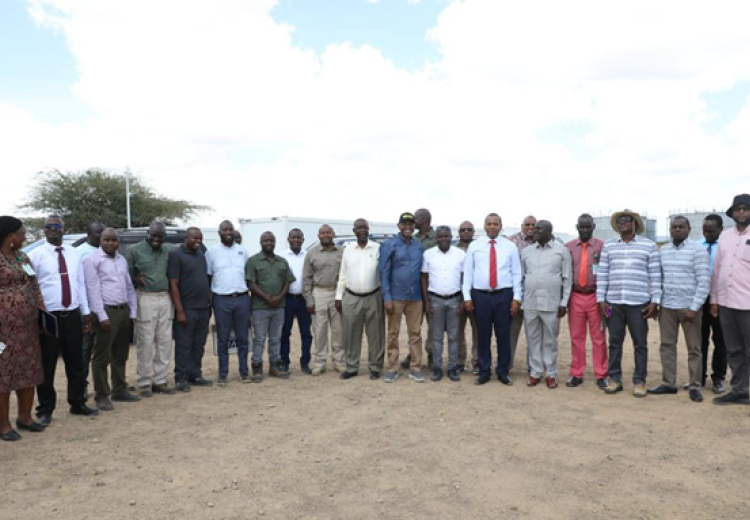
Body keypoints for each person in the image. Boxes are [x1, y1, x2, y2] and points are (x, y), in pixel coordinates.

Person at [28, 215, 98, 426]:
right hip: (49, 317)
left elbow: (80, 284)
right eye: (48, 227)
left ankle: (77, 403)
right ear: (44, 230)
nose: (52, 230)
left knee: (76, 363)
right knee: (47, 365)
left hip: (73, 315)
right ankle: (45, 409)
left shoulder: (74, 254)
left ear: (63, 229)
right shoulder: (35, 255)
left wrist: (86, 313)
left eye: (56, 226)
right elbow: (32, 289)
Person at [597, 209, 661, 397]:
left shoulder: (648, 246)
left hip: (638, 303)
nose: (622, 223)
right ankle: (615, 379)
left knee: (640, 343)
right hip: (614, 303)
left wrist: (655, 301)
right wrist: (601, 299)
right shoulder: (609, 246)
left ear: (635, 224)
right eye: (619, 220)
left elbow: (655, 276)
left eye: (627, 220)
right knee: (615, 342)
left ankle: (640, 381)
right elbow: (602, 274)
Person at [648, 216, 709, 402]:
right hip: (667, 306)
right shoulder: (663, 251)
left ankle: (695, 386)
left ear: (689, 229)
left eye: (681, 226)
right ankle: (669, 383)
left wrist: (694, 307)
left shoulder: (697, 250)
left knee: (694, 348)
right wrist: (657, 302)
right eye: (674, 227)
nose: (677, 229)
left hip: (689, 308)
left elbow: (704, 281)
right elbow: (658, 279)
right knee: (667, 346)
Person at [0, 216, 47, 441]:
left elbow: (34, 284)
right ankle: (3, 425)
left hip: (27, 328)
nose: (25, 237)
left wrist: (42, 310)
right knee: (3, 375)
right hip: (2, 332)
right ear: (10, 237)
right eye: (22, 234)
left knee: (29, 370)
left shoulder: (23, 257)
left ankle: (25, 417)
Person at [83, 228, 140, 411]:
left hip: (123, 311)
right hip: (105, 313)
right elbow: (92, 290)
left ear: (118, 242)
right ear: (100, 240)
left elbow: (129, 287)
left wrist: (132, 313)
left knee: (120, 354)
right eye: (107, 240)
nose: (110, 243)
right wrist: (101, 316)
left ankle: (119, 389)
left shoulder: (121, 260)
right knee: (101, 356)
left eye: (114, 240)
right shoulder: (92, 260)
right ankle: (101, 395)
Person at [463, 213, 522, 386]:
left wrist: (517, 298)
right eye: (489, 224)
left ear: (500, 225)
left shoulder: (510, 247)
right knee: (483, 335)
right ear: (484, 225)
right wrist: (467, 297)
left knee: (503, 335)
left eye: (495, 224)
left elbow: (516, 272)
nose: (492, 227)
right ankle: (484, 371)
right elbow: (468, 273)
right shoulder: (475, 246)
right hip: (481, 296)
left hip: (504, 295)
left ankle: (503, 371)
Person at [126, 221, 175, 397]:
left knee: (165, 341)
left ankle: (160, 380)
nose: (156, 239)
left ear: (164, 237)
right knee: (145, 341)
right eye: (153, 235)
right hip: (145, 297)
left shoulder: (169, 251)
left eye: (160, 236)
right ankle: (144, 381)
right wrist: (136, 280)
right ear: (148, 233)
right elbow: (127, 275)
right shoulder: (134, 250)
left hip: (165, 297)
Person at [521, 220, 571, 389]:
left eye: (538, 229)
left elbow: (567, 279)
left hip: (552, 302)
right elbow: (521, 277)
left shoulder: (561, 251)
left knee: (550, 340)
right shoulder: (526, 252)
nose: (534, 231)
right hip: (530, 301)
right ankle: (535, 372)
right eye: (533, 228)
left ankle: (550, 373)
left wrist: (564, 302)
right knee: (532, 338)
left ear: (549, 231)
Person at [711, 194, 750, 409]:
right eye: (738, 209)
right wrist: (715, 300)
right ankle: (739, 391)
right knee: (734, 350)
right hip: (726, 303)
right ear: (733, 213)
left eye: (745, 208)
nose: (742, 212)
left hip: (748, 304)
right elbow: (717, 270)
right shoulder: (725, 237)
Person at [335, 219, 385, 380]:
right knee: (350, 334)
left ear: (369, 230)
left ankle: (375, 367)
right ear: (354, 230)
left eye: (365, 227)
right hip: (351, 297)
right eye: (359, 228)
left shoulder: (377, 248)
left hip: (373, 296)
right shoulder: (348, 250)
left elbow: (383, 273)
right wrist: (338, 296)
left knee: (376, 334)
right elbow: (342, 275)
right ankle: (351, 366)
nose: (362, 230)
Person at [379, 212, 425, 383]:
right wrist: (387, 298)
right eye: (404, 224)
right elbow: (383, 273)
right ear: (399, 226)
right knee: (393, 333)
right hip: (396, 296)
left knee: (415, 333)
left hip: (415, 297)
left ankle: (415, 367)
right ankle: (392, 367)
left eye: (411, 224)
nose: (408, 227)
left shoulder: (418, 246)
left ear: (414, 226)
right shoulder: (389, 245)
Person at [565, 214, 608, 389]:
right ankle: (576, 373)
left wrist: (604, 299)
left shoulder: (602, 247)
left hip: (595, 296)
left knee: (599, 337)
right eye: (581, 227)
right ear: (577, 227)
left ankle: (601, 374)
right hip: (575, 295)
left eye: (587, 227)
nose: (584, 230)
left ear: (593, 227)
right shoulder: (568, 247)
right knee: (577, 337)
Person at [206, 221, 251, 387]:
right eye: (225, 230)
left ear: (234, 232)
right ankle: (223, 374)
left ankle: (244, 372)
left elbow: (247, 274)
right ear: (219, 232)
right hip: (221, 299)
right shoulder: (212, 252)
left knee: (243, 338)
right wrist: (212, 301)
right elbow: (209, 276)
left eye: (230, 229)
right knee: (223, 338)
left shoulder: (242, 250)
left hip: (242, 298)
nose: (228, 232)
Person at [168, 227, 213, 393]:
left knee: (199, 344)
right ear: (186, 238)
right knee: (184, 345)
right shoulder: (176, 255)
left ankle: (195, 374)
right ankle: (180, 378)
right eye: (194, 238)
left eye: (200, 238)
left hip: (203, 308)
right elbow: (173, 284)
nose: (198, 241)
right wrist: (179, 311)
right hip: (187, 308)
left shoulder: (201, 254)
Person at [246, 231, 295, 382]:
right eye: (265, 240)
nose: (268, 243)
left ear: (275, 242)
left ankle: (275, 366)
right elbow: (251, 284)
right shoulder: (253, 261)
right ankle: (257, 366)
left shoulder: (282, 261)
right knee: (259, 338)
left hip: (279, 306)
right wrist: (267, 298)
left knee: (276, 338)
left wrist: (279, 297)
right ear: (261, 243)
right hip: (260, 307)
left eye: (271, 240)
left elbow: (287, 281)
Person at [422, 226, 465, 382]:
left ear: (451, 237)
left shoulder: (460, 255)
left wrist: (463, 300)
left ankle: (453, 368)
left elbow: (464, 278)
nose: (444, 239)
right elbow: (424, 278)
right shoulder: (428, 254)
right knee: (436, 336)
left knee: (454, 337)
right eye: (441, 236)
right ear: (436, 238)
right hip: (435, 299)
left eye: (447, 236)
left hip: (455, 299)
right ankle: (437, 368)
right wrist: (426, 300)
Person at [303, 225, 345, 376]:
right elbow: (306, 277)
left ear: (333, 234)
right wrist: (309, 299)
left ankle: (339, 361)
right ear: (318, 235)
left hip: (337, 293)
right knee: (319, 330)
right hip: (318, 293)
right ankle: (320, 362)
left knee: (338, 330)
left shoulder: (342, 252)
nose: (325, 235)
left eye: (328, 232)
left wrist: (342, 296)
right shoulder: (311, 253)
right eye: (322, 233)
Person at [401, 208, 437, 370]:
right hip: (415, 289)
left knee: (433, 326)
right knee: (414, 326)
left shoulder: (437, 238)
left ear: (426, 219)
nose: (413, 221)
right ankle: (412, 355)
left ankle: (431, 355)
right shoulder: (412, 238)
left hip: (432, 289)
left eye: (416, 218)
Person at [699, 214, 727, 393]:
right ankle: (698, 377)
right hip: (700, 298)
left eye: (711, 230)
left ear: (720, 230)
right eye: (705, 231)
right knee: (699, 340)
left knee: (720, 339)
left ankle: (718, 378)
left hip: (722, 299)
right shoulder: (696, 247)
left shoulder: (725, 248)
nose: (707, 234)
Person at [78, 220, 106, 397]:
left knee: (102, 350)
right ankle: (81, 385)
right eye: (98, 233)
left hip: (105, 308)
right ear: (89, 234)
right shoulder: (79, 253)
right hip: (87, 310)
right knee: (85, 350)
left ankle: (102, 387)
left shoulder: (107, 251)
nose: (101, 236)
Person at [280, 229, 313, 374]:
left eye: (299, 237)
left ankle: (305, 362)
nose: (296, 240)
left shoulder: (308, 256)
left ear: (303, 240)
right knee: (285, 332)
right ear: (288, 239)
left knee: (306, 332)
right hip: (287, 299)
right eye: (293, 237)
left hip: (304, 299)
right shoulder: (281, 256)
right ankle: (284, 362)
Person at [507, 215, 537, 370]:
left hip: (534, 296)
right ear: (522, 225)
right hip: (514, 295)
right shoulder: (511, 241)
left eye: (533, 225)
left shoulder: (541, 242)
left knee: (533, 334)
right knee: (511, 333)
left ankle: (532, 366)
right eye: (527, 224)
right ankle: (507, 365)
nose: (530, 227)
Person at [456, 221, 479, 374]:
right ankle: (459, 361)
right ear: (458, 232)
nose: (466, 232)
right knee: (458, 331)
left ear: (473, 232)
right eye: (463, 230)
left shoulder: (479, 248)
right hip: (457, 296)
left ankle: (477, 361)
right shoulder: (453, 249)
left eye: (469, 229)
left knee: (478, 331)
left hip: (476, 295)